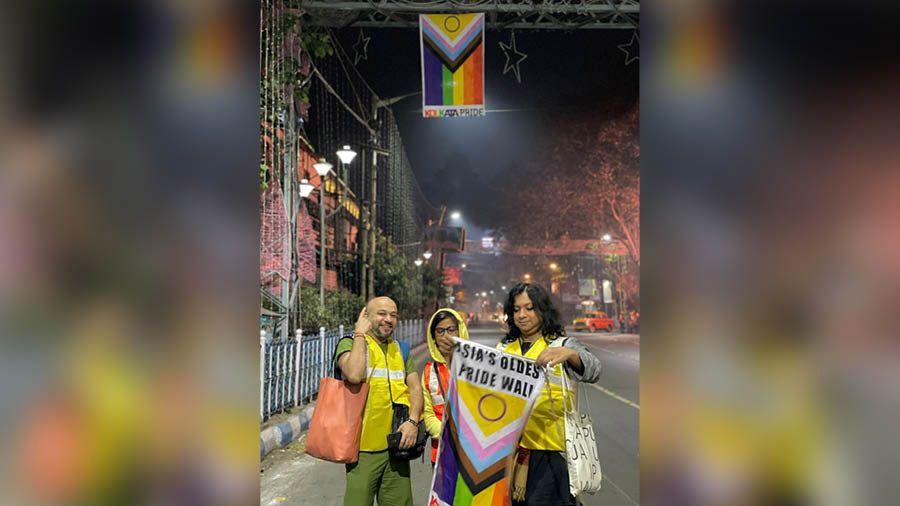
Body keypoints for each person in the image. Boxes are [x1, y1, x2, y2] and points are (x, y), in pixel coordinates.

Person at [497, 282, 602, 506]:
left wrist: (571, 354)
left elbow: (594, 369)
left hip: (555, 455)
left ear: (543, 310)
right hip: (512, 454)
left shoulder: (562, 345)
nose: (522, 315)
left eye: (529, 308)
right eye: (516, 310)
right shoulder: (504, 349)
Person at [334, 297, 424, 506]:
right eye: (382, 314)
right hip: (362, 449)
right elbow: (354, 375)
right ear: (366, 316)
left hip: (398, 445)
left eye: (393, 315)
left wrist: (412, 422)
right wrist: (359, 333)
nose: (388, 319)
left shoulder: (401, 349)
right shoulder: (349, 344)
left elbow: (416, 388)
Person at [421, 308, 470, 466]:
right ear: (433, 337)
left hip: (473, 455)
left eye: (451, 329)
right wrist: (448, 435)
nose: (446, 336)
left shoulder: (477, 368)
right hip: (441, 456)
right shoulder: (429, 372)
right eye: (440, 331)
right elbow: (428, 414)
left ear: (460, 331)